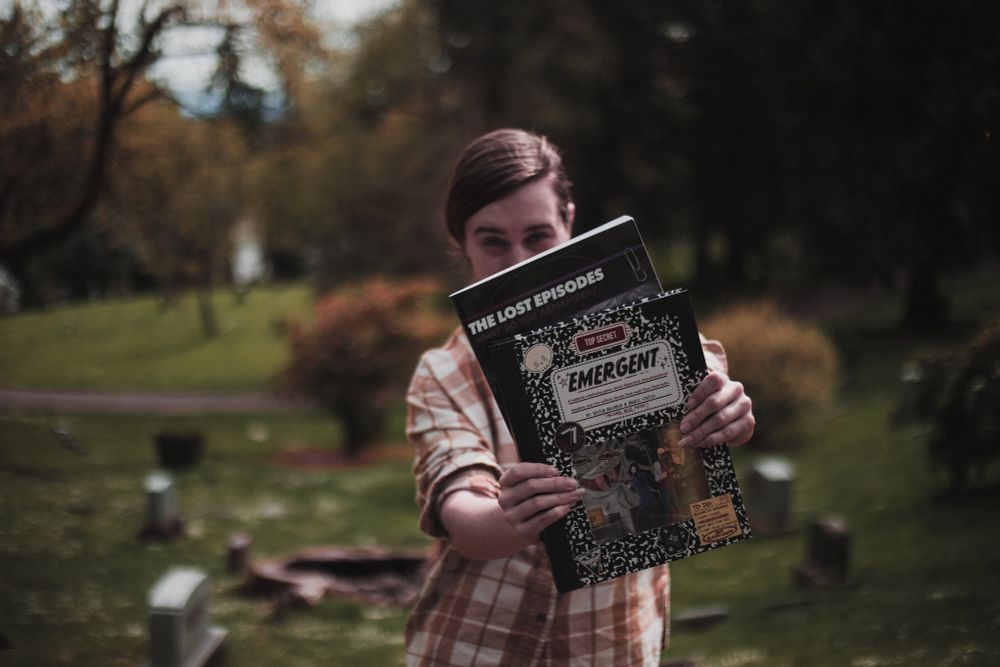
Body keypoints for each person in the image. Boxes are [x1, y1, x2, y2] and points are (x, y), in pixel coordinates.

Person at [405, 128, 755, 666]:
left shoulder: (644, 332)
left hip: (611, 647)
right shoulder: (442, 374)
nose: (517, 261)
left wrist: (723, 411)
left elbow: (701, 368)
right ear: (461, 241)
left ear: (568, 221)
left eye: (538, 236)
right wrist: (510, 519)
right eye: (493, 241)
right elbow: (459, 512)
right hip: (475, 647)